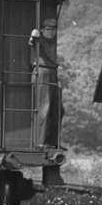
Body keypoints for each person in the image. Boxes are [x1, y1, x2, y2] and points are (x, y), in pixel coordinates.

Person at [29, 19, 59, 147]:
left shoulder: (51, 41)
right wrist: (33, 36)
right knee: (44, 108)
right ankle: (40, 141)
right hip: (42, 73)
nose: (51, 32)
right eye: (48, 30)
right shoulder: (39, 38)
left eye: (53, 30)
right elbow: (32, 41)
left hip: (52, 74)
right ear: (43, 30)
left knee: (58, 110)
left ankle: (53, 141)